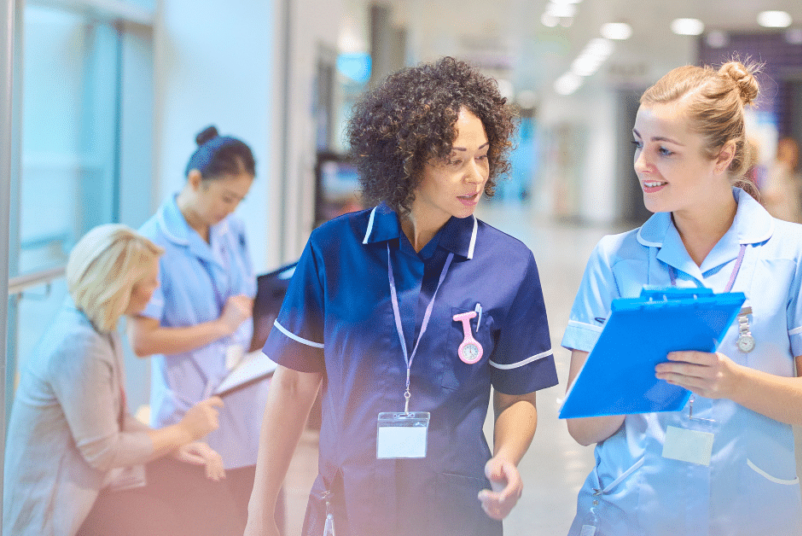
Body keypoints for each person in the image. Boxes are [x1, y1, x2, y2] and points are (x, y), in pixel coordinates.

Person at [244, 57, 559, 536]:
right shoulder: (334, 250)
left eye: (484, 154)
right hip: (348, 502)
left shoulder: (508, 264)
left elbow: (518, 393)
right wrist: (259, 509)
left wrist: (507, 460)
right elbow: (292, 386)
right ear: (406, 159)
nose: (476, 175)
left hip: (454, 508)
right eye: (455, 160)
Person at [562, 61, 802, 535]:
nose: (643, 164)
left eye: (665, 150)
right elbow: (583, 428)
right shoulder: (615, 259)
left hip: (747, 513)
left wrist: (734, 382)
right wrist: (631, 363)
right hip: (630, 513)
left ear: (723, 155)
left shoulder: (796, 253)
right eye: (640, 144)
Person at [3, 224, 243, 536]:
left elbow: (116, 420)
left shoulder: (98, 328)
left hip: (92, 484)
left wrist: (175, 444)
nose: (158, 286)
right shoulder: (78, 346)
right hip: (56, 514)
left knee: (201, 484)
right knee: (163, 518)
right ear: (120, 287)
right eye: (150, 280)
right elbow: (105, 452)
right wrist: (182, 432)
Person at [128, 125, 268, 523]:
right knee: (208, 521)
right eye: (226, 197)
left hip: (242, 398)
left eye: (240, 200)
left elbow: (244, 296)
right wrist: (221, 328)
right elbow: (141, 339)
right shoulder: (153, 243)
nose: (232, 209)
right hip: (188, 411)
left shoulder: (232, 228)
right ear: (195, 181)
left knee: (255, 517)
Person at [762, 136, 802, 225]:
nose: (794, 156)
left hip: (793, 224)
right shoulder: (778, 172)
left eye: (795, 153)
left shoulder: (796, 177)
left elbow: (799, 207)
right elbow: (770, 196)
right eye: (790, 152)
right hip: (781, 225)